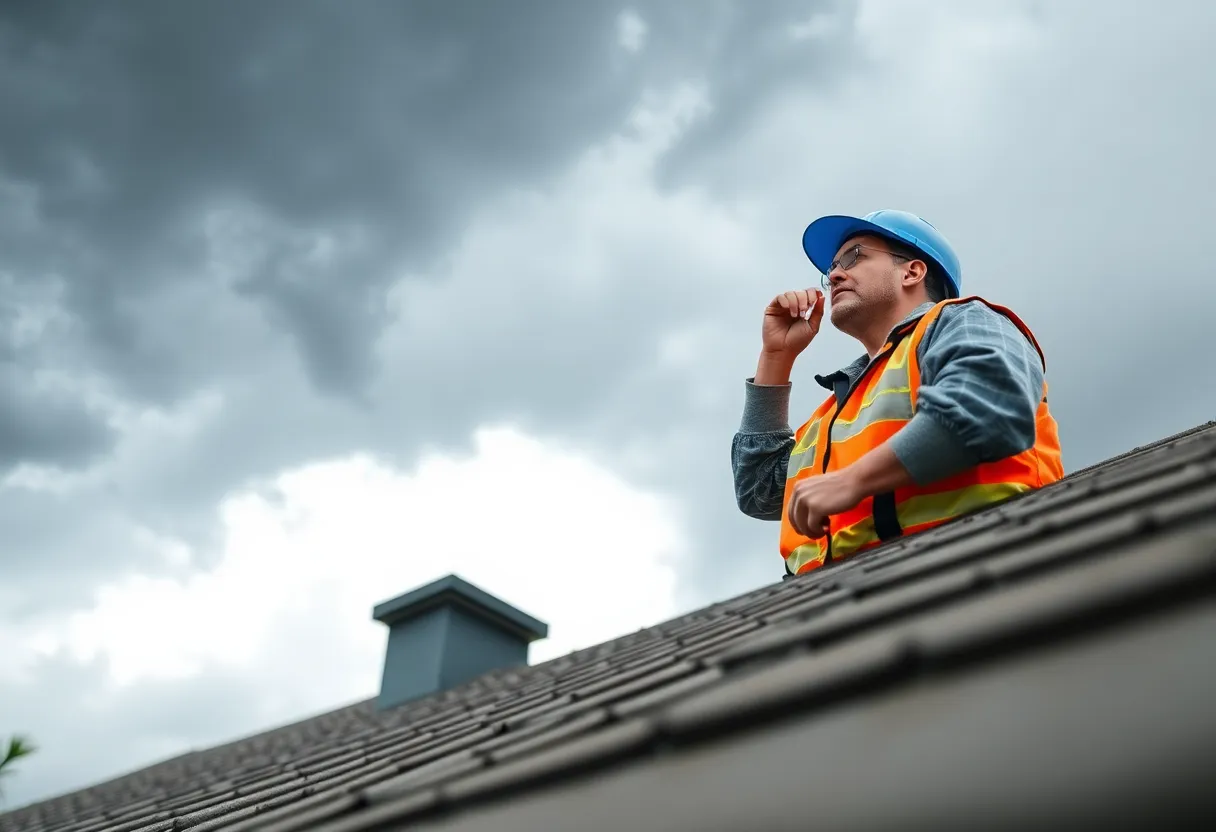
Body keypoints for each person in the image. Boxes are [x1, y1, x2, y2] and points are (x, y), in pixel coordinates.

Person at [731, 209, 1064, 578]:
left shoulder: (965, 321)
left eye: (855, 257)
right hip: (847, 613)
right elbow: (757, 491)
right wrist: (776, 357)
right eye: (831, 269)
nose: (835, 274)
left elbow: (988, 410)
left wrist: (852, 480)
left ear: (912, 272)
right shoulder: (835, 413)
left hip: (982, 575)